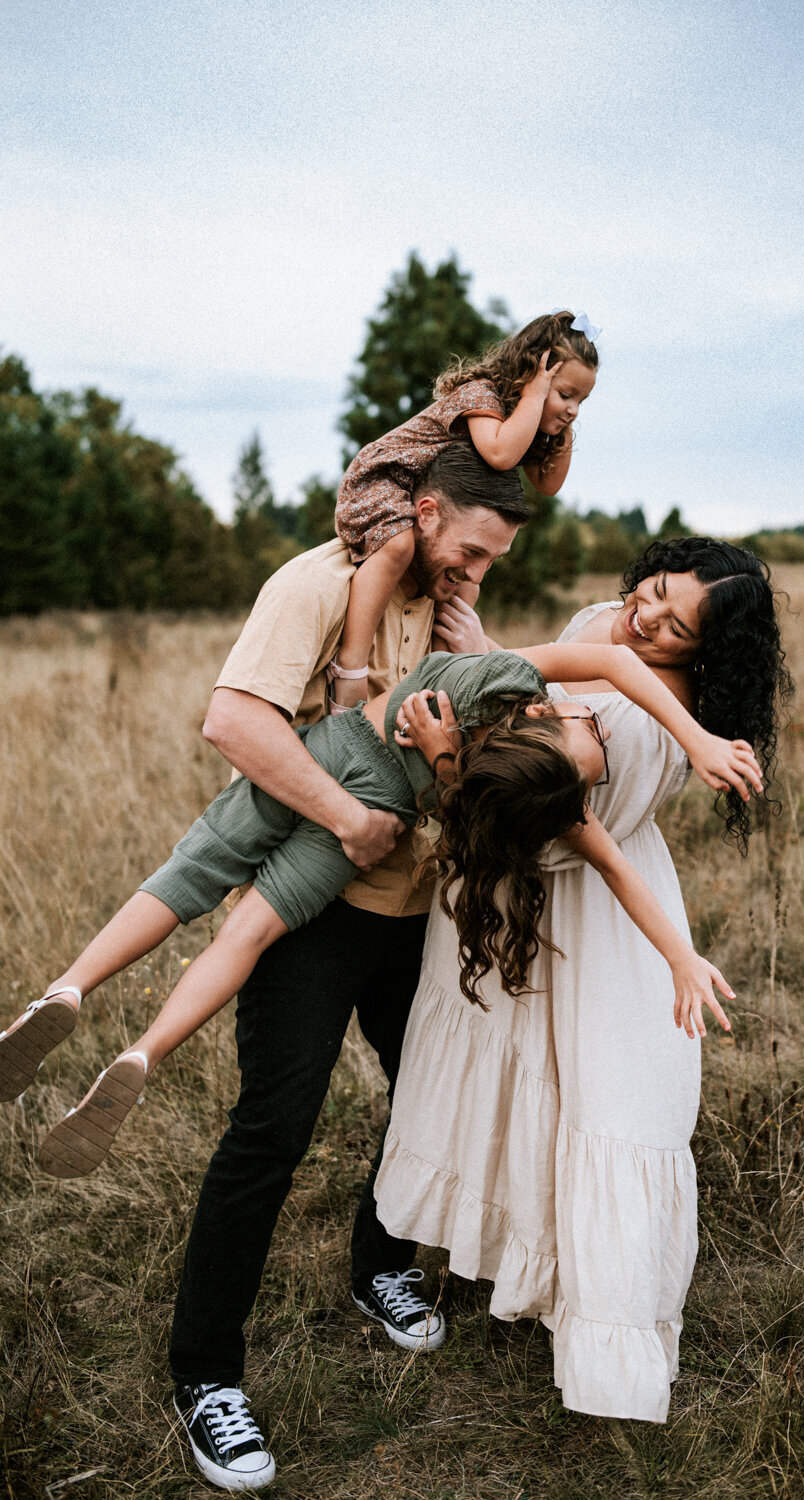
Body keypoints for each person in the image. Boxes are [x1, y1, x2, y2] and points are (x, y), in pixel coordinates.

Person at [7, 442, 527, 1493]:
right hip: (319, 906)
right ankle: (205, 1375)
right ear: (423, 513)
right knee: (271, 1130)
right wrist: (344, 816)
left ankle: (380, 1267)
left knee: (428, 1092)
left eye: (492, 561)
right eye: (467, 551)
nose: (473, 572)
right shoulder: (315, 581)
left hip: (416, 905)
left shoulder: (450, 613)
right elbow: (233, 722)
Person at [9, 638, 759, 1183]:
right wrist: (680, 957)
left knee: (189, 877)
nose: (588, 721)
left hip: (323, 761)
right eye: (595, 737)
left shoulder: (492, 683)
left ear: (544, 714)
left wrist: (692, 742)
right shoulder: (510, 797)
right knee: (249, 930)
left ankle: (69, 988)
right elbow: (622, 873)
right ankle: (147, 1051)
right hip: (377, 816)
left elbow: (615, 665)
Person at [375, 537, 793, 1425]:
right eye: (653, 591)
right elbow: (553, 685)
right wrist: (484, 646)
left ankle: (600, 1327)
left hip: (578, 899)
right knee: (519, 1087)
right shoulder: (612, 627)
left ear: (706, 653)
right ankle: (505, 1261)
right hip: (530, 883)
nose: (645, 618)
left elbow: (550, 823)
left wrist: (451, 759)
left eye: (676, 628)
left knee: (599, 1099)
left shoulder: (637, 727)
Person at [329, 310, 599, 710]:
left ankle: (438, 671)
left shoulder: (526, 420)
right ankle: (350, 668)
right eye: (565, 394)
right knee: (399, 546)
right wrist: (537, 398)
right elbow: (501, 454)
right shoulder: (482, 395)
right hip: (383, 479)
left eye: (582, 400)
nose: (573, 408)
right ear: (531, 377)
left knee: (468, 583)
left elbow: (548, 484)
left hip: (429, 493)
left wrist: (563, 421)